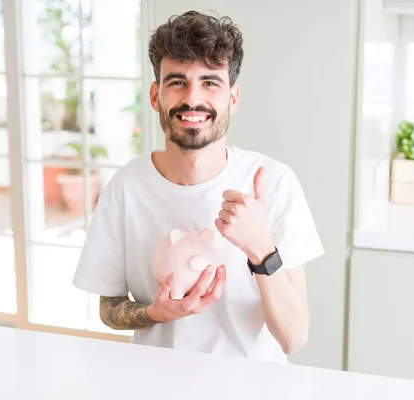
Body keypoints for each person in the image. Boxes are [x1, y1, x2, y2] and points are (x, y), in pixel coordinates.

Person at [72, 10, 324, 363]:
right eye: (177, 82)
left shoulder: (275, 183)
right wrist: (154, 313)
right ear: (155, 95)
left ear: (232, 99)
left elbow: (293, 337)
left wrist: (260, 249)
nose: (193, 99)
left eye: (210, 82)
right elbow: (109, 307)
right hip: (158, 384)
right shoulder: (126, 187)